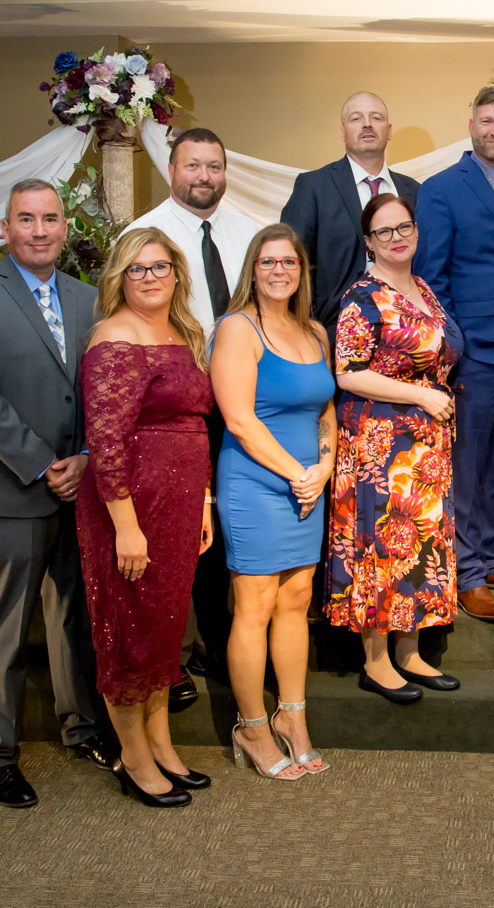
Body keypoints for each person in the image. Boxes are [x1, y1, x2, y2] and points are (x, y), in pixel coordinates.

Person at [0, 179, 116, 808]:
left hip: (79, 489)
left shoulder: (89, 299)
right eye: (26, 219)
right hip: (6, 492)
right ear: (7, 226)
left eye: (49, 219)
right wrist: (46, 465)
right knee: (5, 629)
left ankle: (82, 726)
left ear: (65, 227)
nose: (39, 231)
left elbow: (101, 391)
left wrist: (89, 460)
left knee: (74, 617)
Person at [75, 227, 216, 808]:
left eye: (160, 266)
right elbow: (104, 441)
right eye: (137, 268)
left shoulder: (184, 333)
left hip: (180, 503)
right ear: (119, 278)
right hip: (128, 505)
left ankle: (161, 740)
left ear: (177, 274)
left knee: (163, 626)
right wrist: (125, 525)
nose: (151, 276)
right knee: (129, 628)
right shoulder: (113, 335)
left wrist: (203, 500)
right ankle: (132, 754)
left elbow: (196, 425)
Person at [412, 85, 494, 622]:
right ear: (471, 124)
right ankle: (465, 574)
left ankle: (488, 556)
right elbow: (431, 276)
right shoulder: (442, 189)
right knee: (466, 468)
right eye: (487, 121)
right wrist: (456, 345)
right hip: (475, 349)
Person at [130, 127, 258, 692]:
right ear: (171, 170)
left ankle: (214, 643)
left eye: (213, 167)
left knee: (224, 526)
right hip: (175, 405)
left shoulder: (246, 231)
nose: (203, 177)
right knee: (176, 530)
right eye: (192, 166)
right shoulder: (143, 235)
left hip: (238, 399)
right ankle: (171, 657)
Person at [211, 224, 336, 780]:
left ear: (302, 271)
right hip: (256, 484)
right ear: (252, 270)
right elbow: (238, 419)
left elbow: (326, 413)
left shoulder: (314, 332)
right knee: (255, 605)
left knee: (298, 598)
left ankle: (294, 719)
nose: (279, 270)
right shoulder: (239, 328)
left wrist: (324, 469)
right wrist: (298, 475)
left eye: (289, 261)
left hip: (307, 483)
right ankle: (253, 727)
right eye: (268, 262)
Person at [328, 193, 462, 704]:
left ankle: (411, 654)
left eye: (403, 226)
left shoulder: (423, 288)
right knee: (382, 546)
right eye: (384, 231)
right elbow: (347, 372)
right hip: (380, 444)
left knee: (419, 544)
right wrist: (420, 394)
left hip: (426, 445)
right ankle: (377, 661)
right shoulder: (362, 296)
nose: (397, 237)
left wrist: (433, 400)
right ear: (368, 242)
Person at [280, 91, 422, 332]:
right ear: (343, 132)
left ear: (389, 131)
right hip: (334, 329)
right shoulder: (314, 186)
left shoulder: (415, 191)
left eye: (375, 117)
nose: (367, 124)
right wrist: (310, 324)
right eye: (356, 118)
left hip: (409, 330)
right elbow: (293, 261)